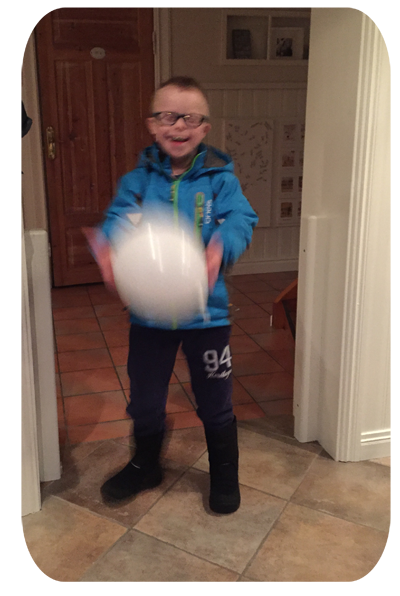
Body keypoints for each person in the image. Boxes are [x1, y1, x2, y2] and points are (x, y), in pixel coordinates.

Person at [86, 76, 258, 514]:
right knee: (145, 398)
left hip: (208, 316)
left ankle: (224, 472)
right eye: (167, 116)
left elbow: (241, 219)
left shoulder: (220, 181)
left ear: (204, 128)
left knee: (215, 400)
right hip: (150, 315)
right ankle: (145, 464)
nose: (178, 125)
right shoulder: (137, 182)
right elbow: (118, 220)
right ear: (151, 124)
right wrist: (109, 246)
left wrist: (220, 247)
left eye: (190, 118)